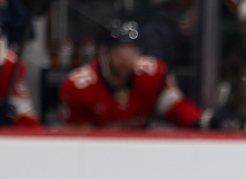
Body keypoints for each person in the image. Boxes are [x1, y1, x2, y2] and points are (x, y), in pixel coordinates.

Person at [57, 18, 222, 130]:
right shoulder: (78, 86)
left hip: (141, 157)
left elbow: (175, 106)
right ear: (104, 53)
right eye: (120, 54)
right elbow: (73, 137)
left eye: (131, 53)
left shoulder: (153, 74)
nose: (127, 60)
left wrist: (200, 121)